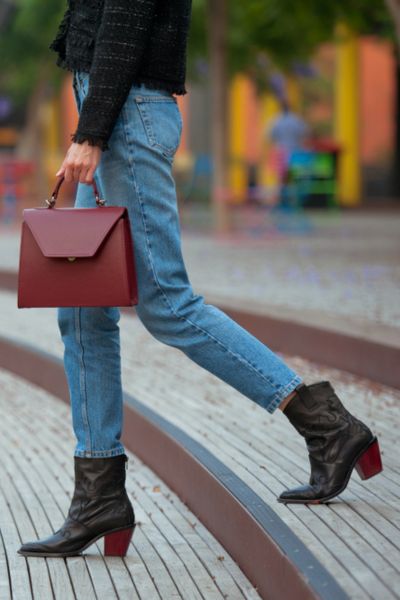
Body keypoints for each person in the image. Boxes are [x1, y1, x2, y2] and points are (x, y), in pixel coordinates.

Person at [18, 0, 382, 558]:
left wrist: (91, 133)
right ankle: (98, 499)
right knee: (82, 307)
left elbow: (127, 21)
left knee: (167, 302)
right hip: (107, 110)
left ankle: (327, 425)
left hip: (123, 120)